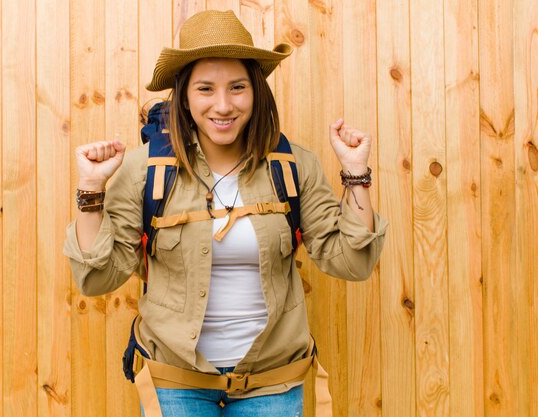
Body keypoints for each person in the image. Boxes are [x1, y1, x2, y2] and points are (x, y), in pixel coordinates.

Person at [64, 9, 387, 417]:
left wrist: (356, 174)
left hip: (273, 382)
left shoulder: (293, 166)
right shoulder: (144, 170)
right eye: (205, 88)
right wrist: (91, 191)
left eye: (237, 87)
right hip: (175, 383)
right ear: (183, 94)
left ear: (256, 91)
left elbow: (352, 262)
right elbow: (97, 278)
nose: (223, 105)